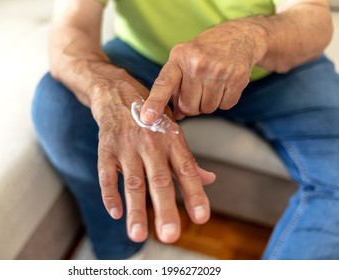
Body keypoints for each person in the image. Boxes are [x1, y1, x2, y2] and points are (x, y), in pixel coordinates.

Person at [31, 0, 339, 259]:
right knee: (58, 107)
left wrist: (249, 37)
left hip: (275, 60)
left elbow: (314, 17)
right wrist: (106, 88)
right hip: (146, 59)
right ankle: (118, 255)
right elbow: (70, 28)